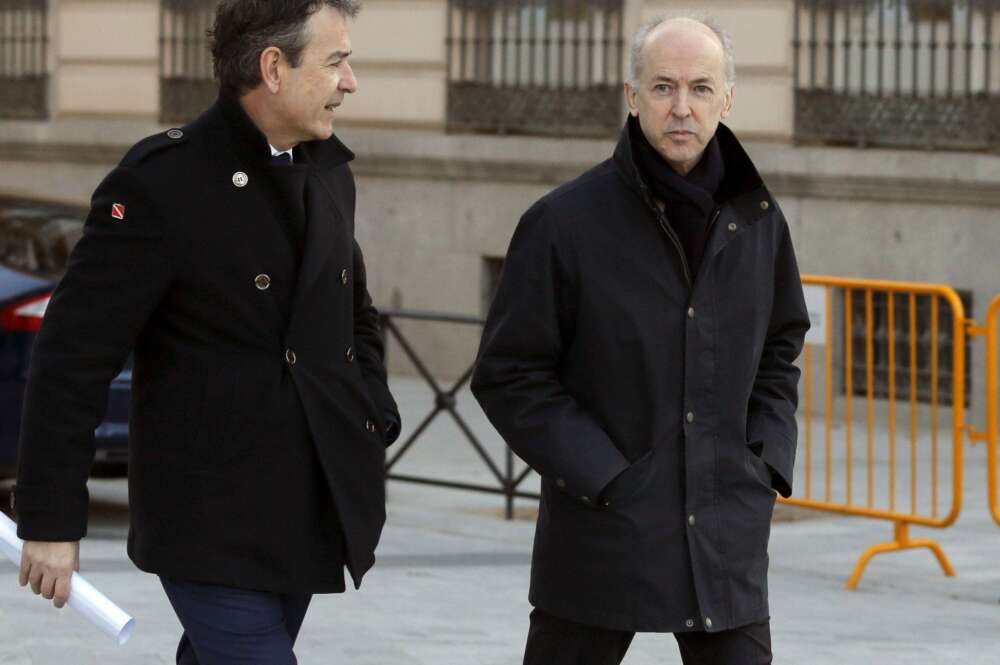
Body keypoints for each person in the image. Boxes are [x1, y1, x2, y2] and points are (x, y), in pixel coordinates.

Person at [11, 1, 400, 662]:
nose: (351, 81)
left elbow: (353, 314)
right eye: (336, 61)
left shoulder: (329, 173)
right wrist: (50, 518)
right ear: (274, 68)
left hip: (304, 507)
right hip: (208, 519)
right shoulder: (162, 183)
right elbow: (72, 356)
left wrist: (371, 413)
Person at [472, 15, 810, 665]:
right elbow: (509, 373)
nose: (681, 107)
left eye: (701, 88)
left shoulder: (757, 218)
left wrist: (765, 455)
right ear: (631, 96)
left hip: (724, 531)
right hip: (603, 528)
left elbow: (781, 343)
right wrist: (603, 473)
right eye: (662, 87)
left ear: (728, 98)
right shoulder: (562, 223)